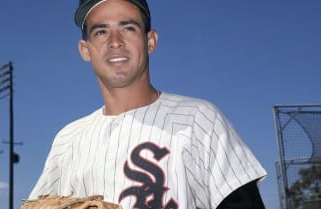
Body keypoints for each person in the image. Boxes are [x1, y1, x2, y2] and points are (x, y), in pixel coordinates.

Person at [28, 0, 267, 208]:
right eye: (100, 32)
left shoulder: (199, 119)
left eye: (128, 28)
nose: (115, 42)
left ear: (150, 41)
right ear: (85, 50)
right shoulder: (67, 140)